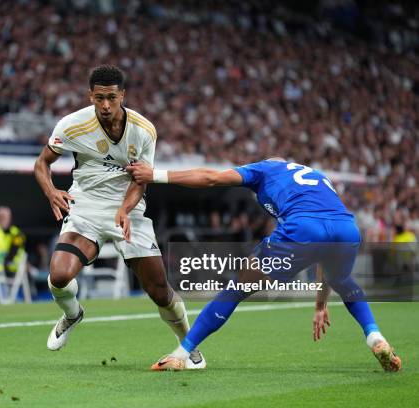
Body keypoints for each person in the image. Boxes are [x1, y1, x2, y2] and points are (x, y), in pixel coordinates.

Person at [126, 158, 401, 372]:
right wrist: (320, 304)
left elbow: (210, 178)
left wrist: (156, 175)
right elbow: (324, 247)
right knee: (343, 280)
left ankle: (182, 354)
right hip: (346, 228)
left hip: (302, 228)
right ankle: (375, 338)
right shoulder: (316, 176)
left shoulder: (263, 170)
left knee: (236, 288)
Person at [33, 65, 204, 368]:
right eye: (99, 98)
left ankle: (189, 347)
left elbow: (141, 180)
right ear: (91, 96)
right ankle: (73, 314)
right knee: (58, 275)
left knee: (159, 290)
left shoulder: (144, 130)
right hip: (85, 206)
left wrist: (125, 210)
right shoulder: (71, 126)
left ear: (123, 95)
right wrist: (50, 192)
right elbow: (41, 164)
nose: (106, 106)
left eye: (112, 97)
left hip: (129, 210)